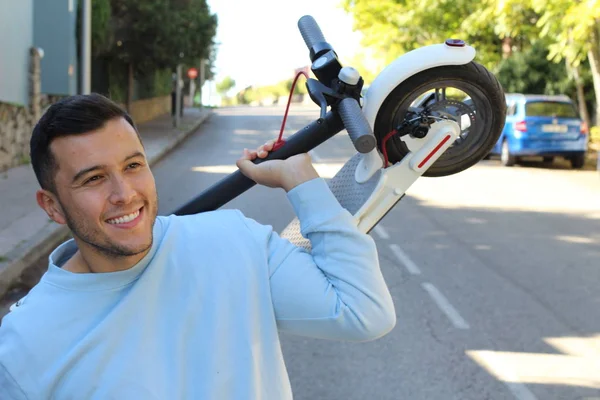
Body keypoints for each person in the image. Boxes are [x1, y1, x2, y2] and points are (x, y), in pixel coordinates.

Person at [0, 93, 395, 399]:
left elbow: (363, 313)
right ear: (51, 205)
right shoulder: (24, 343)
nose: (124, 193)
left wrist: (303, 183)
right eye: (93, 179)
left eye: (133, 166)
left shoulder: (232, 239)